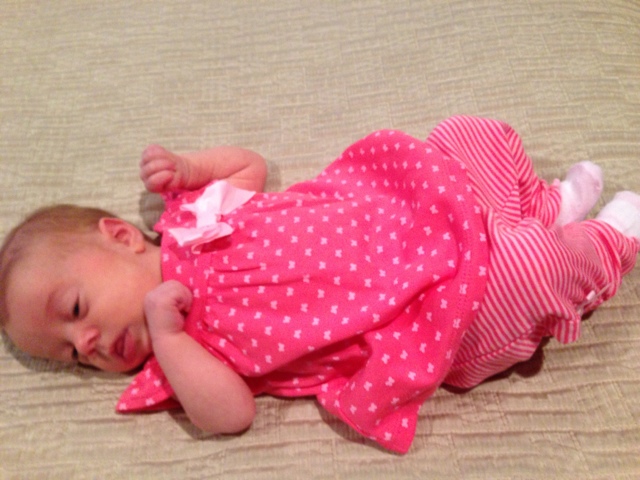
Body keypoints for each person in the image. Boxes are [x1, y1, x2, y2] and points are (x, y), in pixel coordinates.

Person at [1, 116, 639, 454]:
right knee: (527, 273)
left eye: (75, 310)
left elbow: (249, 168)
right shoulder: (179, 360)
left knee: (467, 136)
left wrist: (192, 167)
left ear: (120, 236)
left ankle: (544, 207)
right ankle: (608, 242)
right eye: (72, 355)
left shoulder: (194, 215)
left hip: (408, 215)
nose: (86, 343)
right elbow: (230, 416)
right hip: (423, 321)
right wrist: (169, 339)